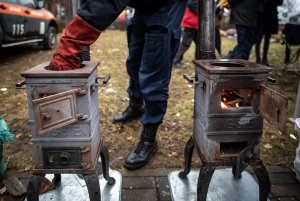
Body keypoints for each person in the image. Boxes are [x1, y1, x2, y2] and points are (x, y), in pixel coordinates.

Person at [112, 0, 188, 170]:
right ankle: (135, 104)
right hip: (142, 8)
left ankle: (149, 138)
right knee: (135, 60)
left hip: (165, 8)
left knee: (154, 72)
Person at [173, 0, 224, 68]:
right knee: (185, 43)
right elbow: (190, 3)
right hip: (191, 22)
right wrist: (204, 11)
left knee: (199, 44)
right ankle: (176, 61)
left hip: (197, 23)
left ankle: (199, 60)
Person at [255, 0, 283, 66]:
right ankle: (258, 59)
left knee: (267, 39)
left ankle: (264, 59)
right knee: (258, 39)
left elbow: (280, 2)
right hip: (261, 16)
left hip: (271, 15)